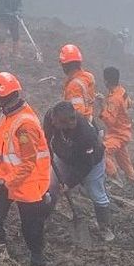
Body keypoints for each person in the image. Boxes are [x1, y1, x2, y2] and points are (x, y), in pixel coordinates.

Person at [0, 72, 54, 266]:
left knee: (31, 226)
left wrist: (3, 182)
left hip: (28, 181)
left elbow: (28, 163)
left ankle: (38, 261)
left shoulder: (25, 125)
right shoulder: (7, 113)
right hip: (5, 173)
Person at [43, 101, 114, 242]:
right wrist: (48, 153)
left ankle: (105, 227)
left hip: (91, 162)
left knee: (96, 192)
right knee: (52, 185)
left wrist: (69, 183)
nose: (53, 124)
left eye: (56, 123)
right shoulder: (52, 116)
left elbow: (85, 166)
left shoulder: (86, 135)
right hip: (63, 156)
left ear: (69, 122)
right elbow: (46, 136)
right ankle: (45, 218)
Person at [99, 66, 134, 182]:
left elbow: (110, 122)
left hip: (117, 134)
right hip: (125, 131)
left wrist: (102, 107)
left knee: (102, 153)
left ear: (106, 80)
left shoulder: (114, 99)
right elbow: (129, 104)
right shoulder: (122, 91)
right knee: (124, 161)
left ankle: (115, 179)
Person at [59, 44, 97, 124]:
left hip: (81, 129)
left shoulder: (74, 86)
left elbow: (77, 115)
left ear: (65, 66)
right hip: (90, 122)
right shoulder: (88, 77)